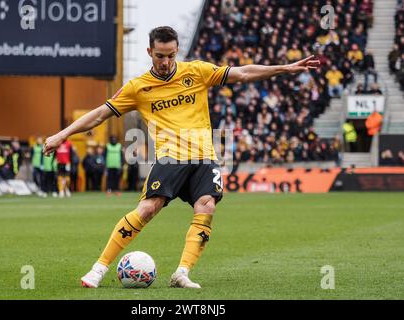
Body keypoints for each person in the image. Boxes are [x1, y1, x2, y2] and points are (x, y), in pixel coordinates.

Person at [43, 26, 319, 289]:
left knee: (207, 207)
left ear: (177, 51)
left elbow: (243, 73)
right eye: (160, 55)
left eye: (171, 55)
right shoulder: (138, 88)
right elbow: (100, 114)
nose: (165, 61)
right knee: (149, 208)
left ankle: (182, 272)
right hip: (170, 158)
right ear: (150, 51)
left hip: (204, 158)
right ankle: (99, 268)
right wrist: (61, 135)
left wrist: (285, 68)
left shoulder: (196, 71)